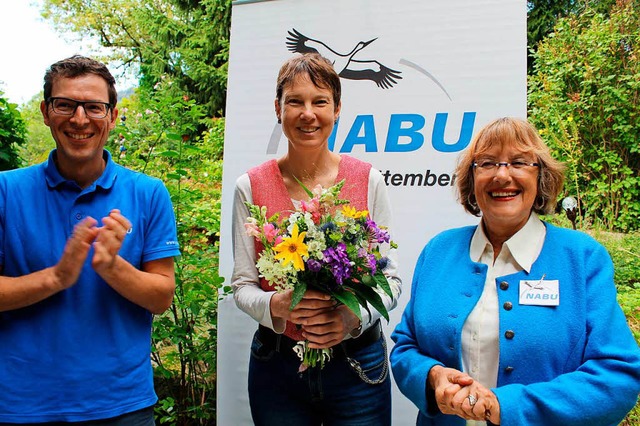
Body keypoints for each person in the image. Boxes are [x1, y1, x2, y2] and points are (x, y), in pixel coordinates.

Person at [390, 117, 640, 426]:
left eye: (519, 162)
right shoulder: (439, 251)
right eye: (487, 163)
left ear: (541, 177)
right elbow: (406, 345)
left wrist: (504, 406)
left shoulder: (582, 258)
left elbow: (617, 374)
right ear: (471, 179)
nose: (502, 175)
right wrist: (432, 377)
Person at [0, 55, 180, 424]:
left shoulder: (148, 193)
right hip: (21, 405)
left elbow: (162, 296)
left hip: (122, 405)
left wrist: (112, 267)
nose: (79, 119)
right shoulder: (6, 190)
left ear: (112, 117)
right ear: (46, 112)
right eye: (65, 104)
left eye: (94, 108)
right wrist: (57, 277)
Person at [231, 53, 401, 425]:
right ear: (278, 109)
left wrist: (351, 317)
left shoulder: (367, 180)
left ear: (337, 109)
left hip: (357, 363)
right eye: (295, 101)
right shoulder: (251, 186)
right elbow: (242, 285)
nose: (308, 113)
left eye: (320, 101)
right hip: (278, 368)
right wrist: (276, 305)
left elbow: (390, 279)